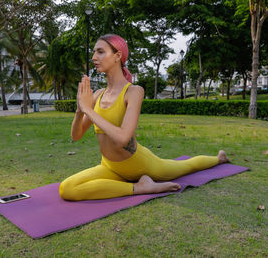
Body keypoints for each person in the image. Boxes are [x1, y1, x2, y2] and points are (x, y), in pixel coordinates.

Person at [59, 34, 230, 201]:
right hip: (110, 166)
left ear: (117, 56)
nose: (94, 57)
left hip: (140, 165)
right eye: (94, 52)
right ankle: (139, 188)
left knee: (185, 166)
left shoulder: (134, 92)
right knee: (66, 189)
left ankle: (219, 158)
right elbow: (76, 135)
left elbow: (123, 138)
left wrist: (89, 110)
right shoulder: (97, 95)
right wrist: (80, 109)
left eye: (100, 52)